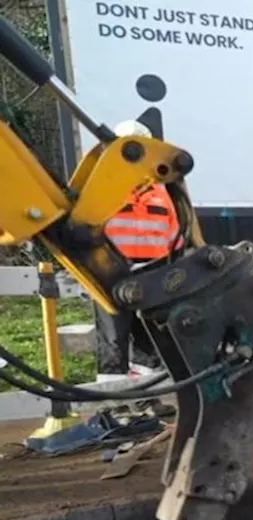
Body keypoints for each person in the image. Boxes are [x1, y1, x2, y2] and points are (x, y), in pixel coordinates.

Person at [94, 119, 183, 382]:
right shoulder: (102, 190)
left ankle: (146, 396)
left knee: (148, 337)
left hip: (152, 272)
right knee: (114, 338)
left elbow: (174, 233)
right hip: (111, 270)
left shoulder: (160, 191)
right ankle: (117, 400)